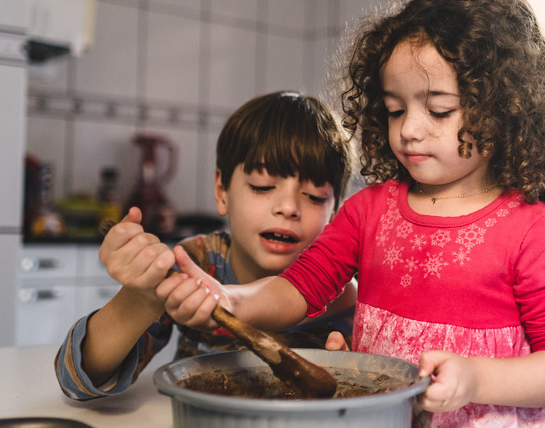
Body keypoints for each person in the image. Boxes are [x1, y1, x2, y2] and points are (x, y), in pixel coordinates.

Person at [159, 0, 545, 426]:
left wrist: (476, 379)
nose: (408, 129)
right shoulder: (368, 211)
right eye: (394, 109)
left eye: (439, 110)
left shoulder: (530, 228)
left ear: (504, 110)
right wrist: (229, 299)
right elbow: (296, 289)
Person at [55, 91, 357, 400]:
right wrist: (141, 299)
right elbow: (76, 381)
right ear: (222, 191)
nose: (288, 207)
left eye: (315, 196)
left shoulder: (344, 296)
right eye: (262, 186)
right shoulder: (195, 264)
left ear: (335, 215)